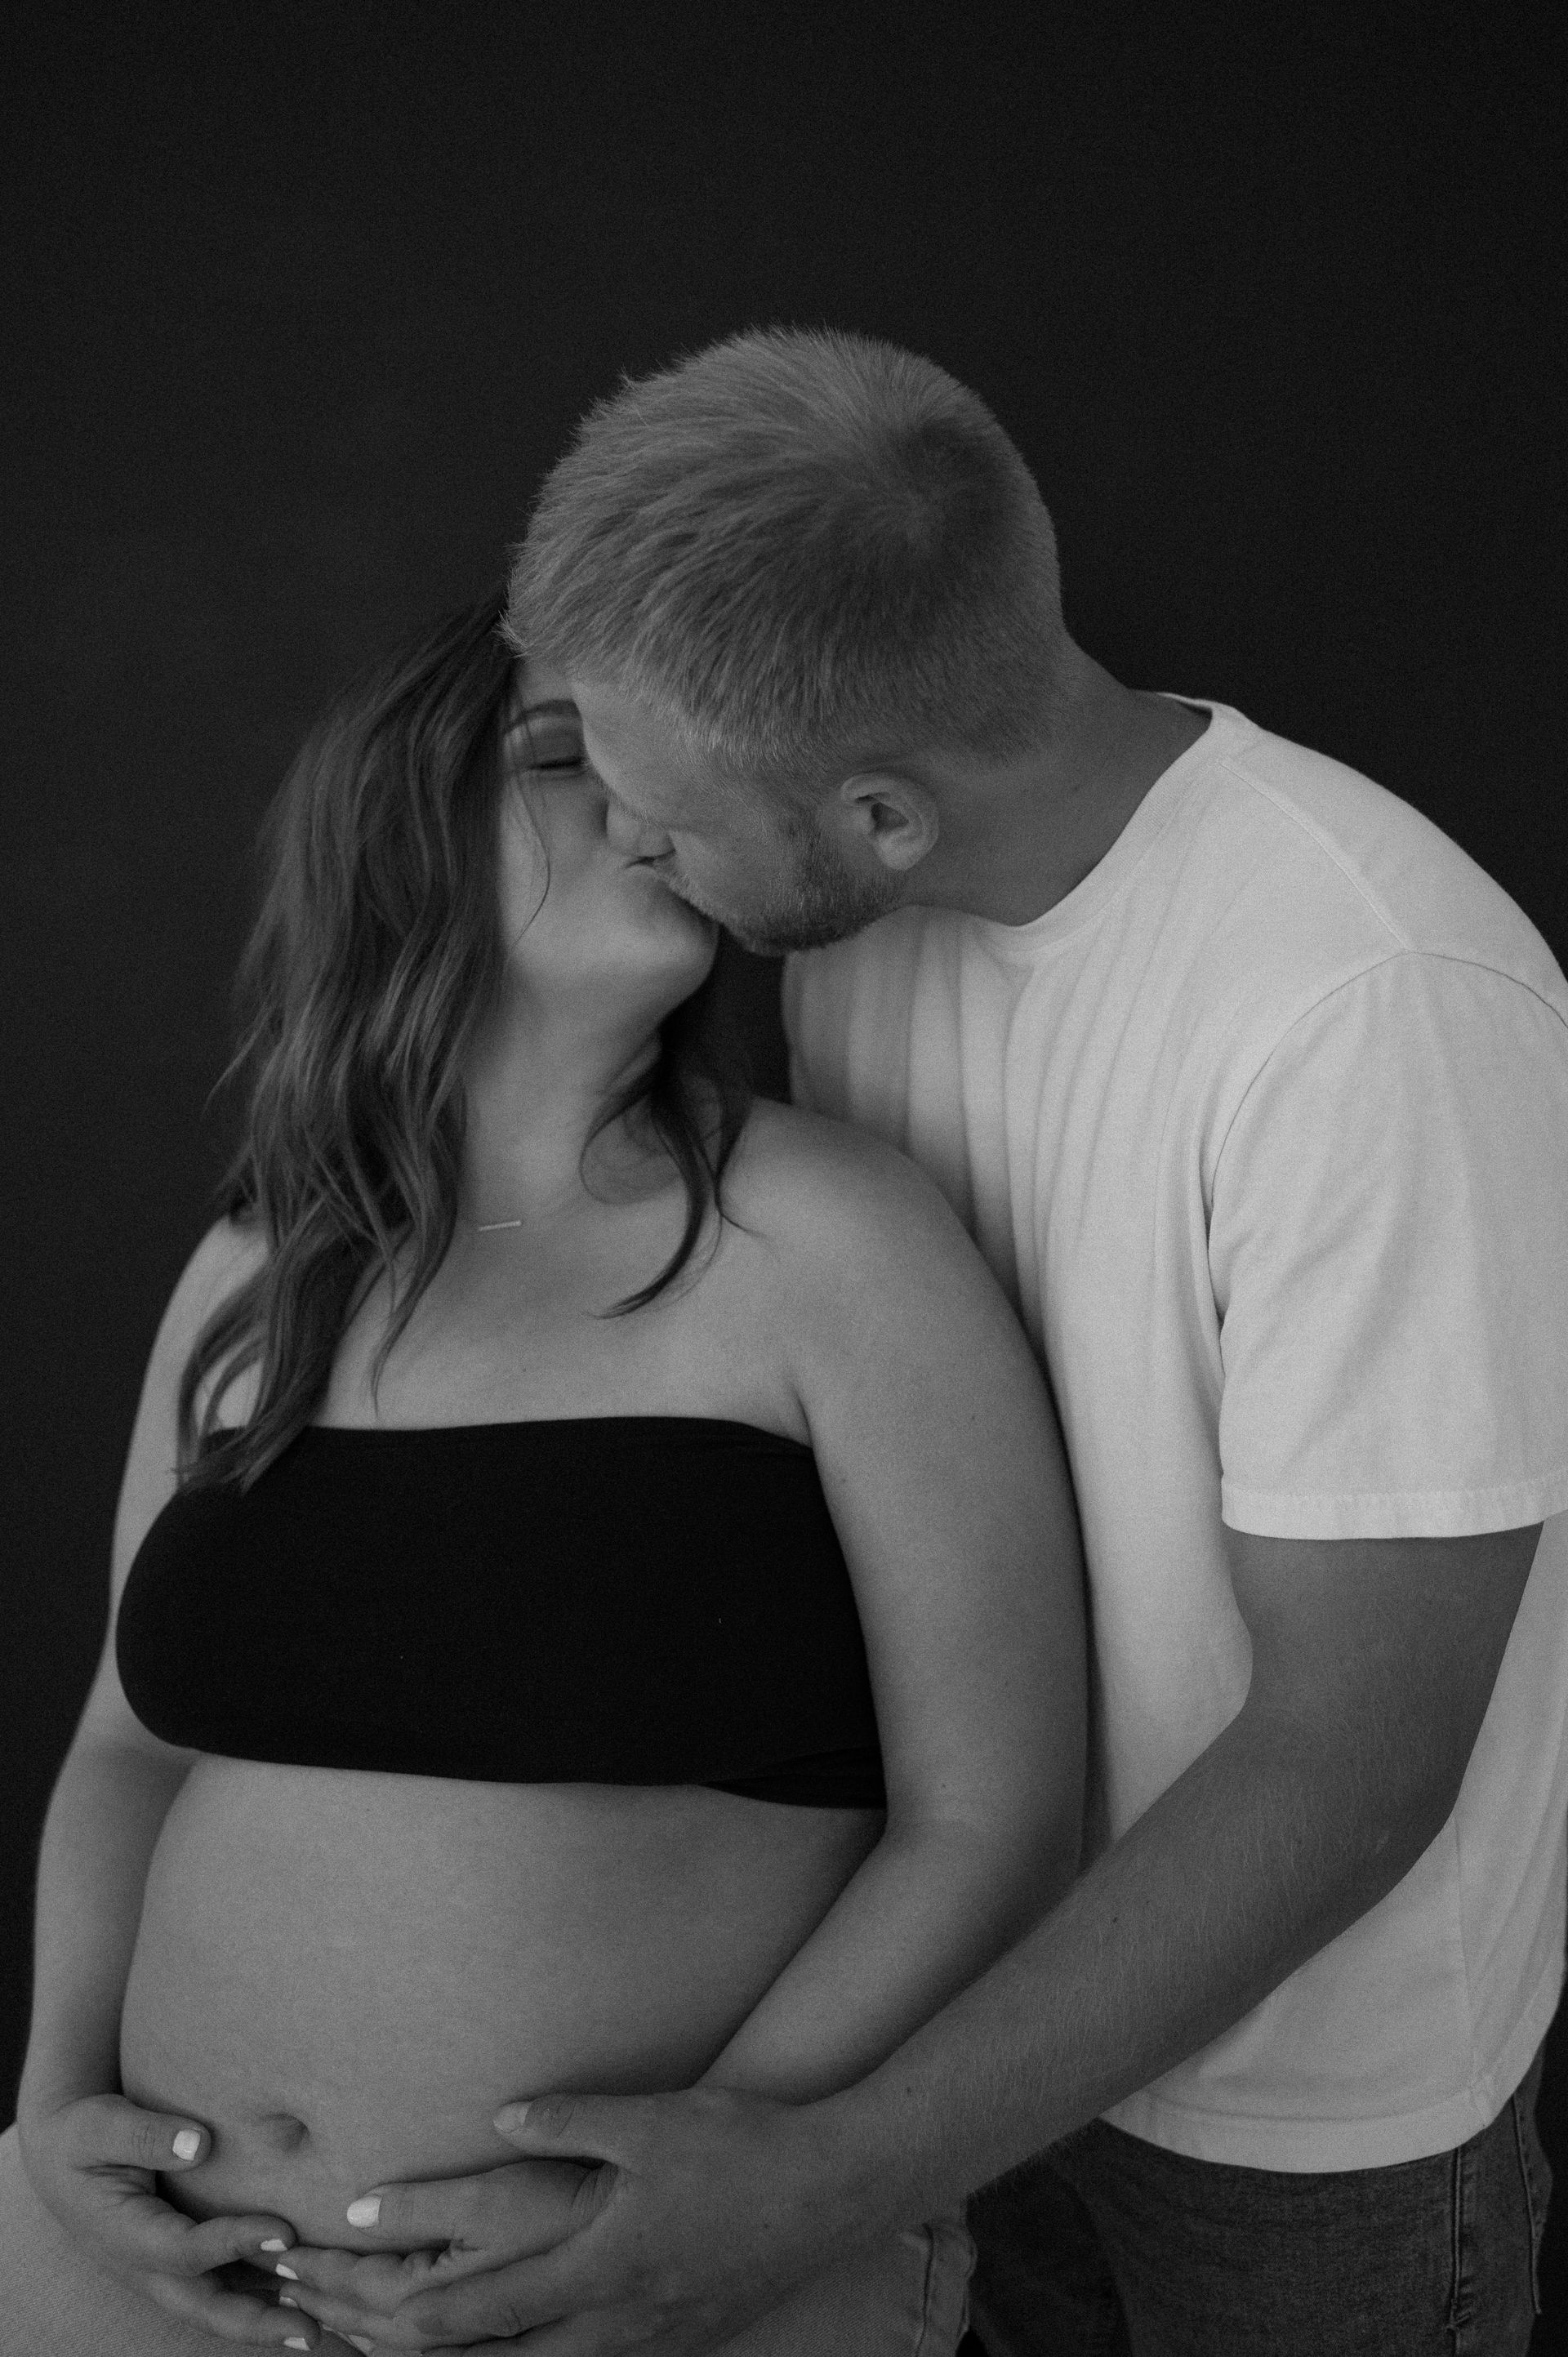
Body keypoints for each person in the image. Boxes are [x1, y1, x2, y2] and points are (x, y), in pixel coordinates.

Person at [259, 329, 1568, 2357]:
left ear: (877, 812)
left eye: (662, 813)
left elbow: (1352, 1763)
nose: (630, 839)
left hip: (1291, 2119)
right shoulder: (863, 921)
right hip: (962, 2025)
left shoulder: (1370, 1009)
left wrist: (829, 2171)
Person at [2, 587, 1090, 2355]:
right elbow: (127, 1749)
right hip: (146, 2274)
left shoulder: (830, 1236)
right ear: (402, 834)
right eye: (566, 754)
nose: (650, 798)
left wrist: (704, 2186)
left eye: (681, 760)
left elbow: (995, 1817)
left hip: (659, 2287)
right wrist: (53, 2108)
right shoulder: (262, 1266)